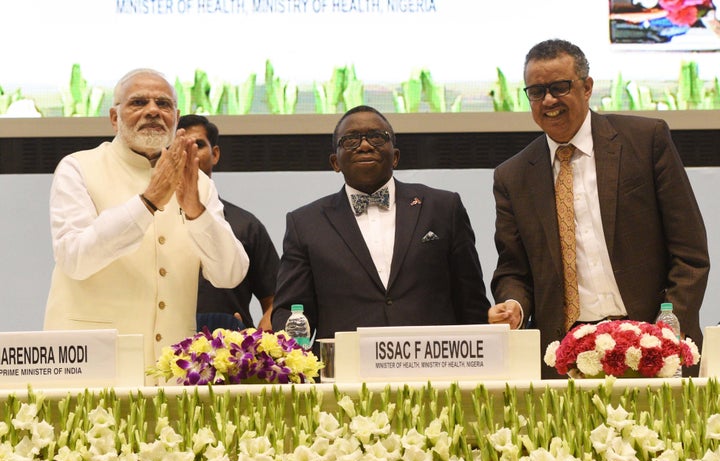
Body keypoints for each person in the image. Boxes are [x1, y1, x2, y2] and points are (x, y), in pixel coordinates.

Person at [489, 39, 710, 378]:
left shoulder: (645, 140)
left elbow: (689, 252)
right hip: (563, 356)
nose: (548, 100)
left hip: (654, 347)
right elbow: (513, 271)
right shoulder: (513, 175)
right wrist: (514, 306)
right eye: (536, 91)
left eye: (559, 87)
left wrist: (666, 331)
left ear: (587, 87)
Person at [44, 69, 249, 383]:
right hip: (93, 367)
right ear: (114, 117)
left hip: (174, 372)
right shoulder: (78, 168)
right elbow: (75, 258)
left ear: (176, 117)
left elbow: (230, 273)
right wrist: (150, 199)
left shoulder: (199, 183)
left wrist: (196, 210)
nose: (153, 110)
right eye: (138, 102)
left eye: (163, 104)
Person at [271, 105, 493, 342]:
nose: (365, 146)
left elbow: (471, 302)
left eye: (377, 137)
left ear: (395, 156)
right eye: (351, 140)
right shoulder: (305, 223)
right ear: (335, 162)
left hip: (434, 368)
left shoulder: (443, 207)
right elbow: (291, 309)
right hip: (345, 372)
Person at [176, 114, 280, 331]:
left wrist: (260, 338)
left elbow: (274, 299)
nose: (189, 153)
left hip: (231, 354)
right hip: (165, 346)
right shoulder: (152, 220)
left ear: (215, 154)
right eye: (179, 146)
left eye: (198, 145)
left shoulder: (247, 225)